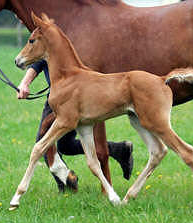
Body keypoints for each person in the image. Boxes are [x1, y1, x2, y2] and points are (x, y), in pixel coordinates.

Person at [17, 60, 134, 191]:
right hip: (66, 96)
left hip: (64, 98)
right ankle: (118, 149)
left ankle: (66, 183)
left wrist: (25, 83)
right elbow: (39, 61)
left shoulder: (55, 41)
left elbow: (39, 60)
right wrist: (25, 83)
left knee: (43, 143)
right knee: (65, 145)